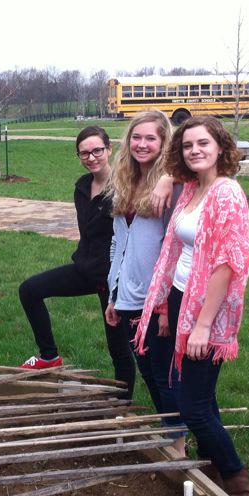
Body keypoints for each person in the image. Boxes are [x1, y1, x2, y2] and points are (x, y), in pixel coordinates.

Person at [135, 115, 249, 496]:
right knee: (199, 398)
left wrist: (203, 325)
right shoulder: (191, 188)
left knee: (193, 405)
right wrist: (164, 309)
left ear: (221, 148)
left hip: (207, 308)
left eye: (203, 143)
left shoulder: (226, 194)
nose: (195, 150)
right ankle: (214, 472)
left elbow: (229, 263)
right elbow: (176, 249)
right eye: (188, 145)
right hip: (178, 297)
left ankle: (239, 485)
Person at [17, 126, 135, 387]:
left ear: (109, 149)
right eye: (84, 153)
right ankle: (49, 357)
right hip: (84, 269)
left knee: (118, 348)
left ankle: (122, 404)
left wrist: (117, 286)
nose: (91, 158)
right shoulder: (82, 187)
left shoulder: (124, 187)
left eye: (97, 151)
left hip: (112, 278)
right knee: (29, 290)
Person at [102, 111, 186, 453]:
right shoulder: (125, 179)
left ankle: (178, 443)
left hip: (157, 296)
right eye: (136, 137)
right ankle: (172, 432)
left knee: (164, 374)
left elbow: (176, 244)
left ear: (164, 142)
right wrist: (113, 293)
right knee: (148, 370)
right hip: (128, 294)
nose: (141, 144)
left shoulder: (173, 185)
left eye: (151, 138)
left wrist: (165, 303)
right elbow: (118, 243)